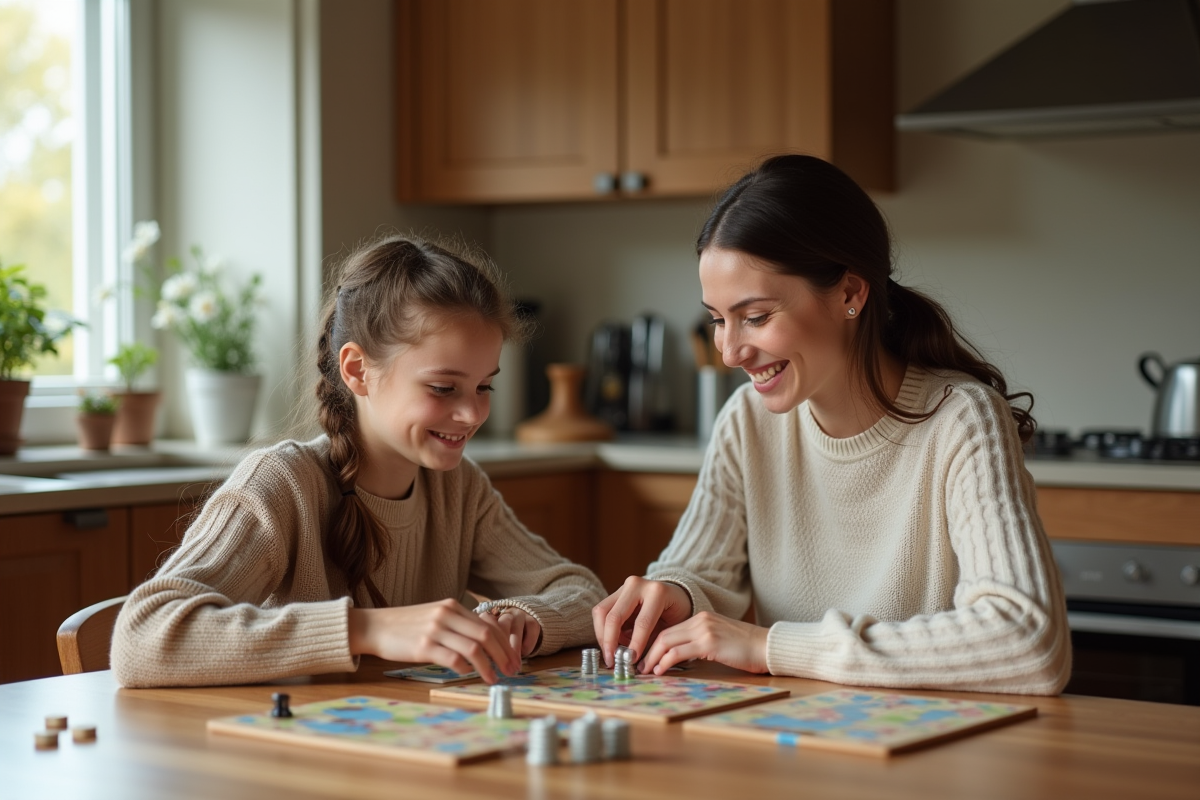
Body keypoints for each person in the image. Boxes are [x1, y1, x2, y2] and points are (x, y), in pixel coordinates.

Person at [593, 154, 1071, 695]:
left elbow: (1028, 641)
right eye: (717, 320)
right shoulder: (747, 422)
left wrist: (766, 646)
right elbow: (702, 576)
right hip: (800, 744)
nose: (728, 352)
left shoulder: (961, 420)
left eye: (755, 317)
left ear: (849, 294)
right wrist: (675, 593)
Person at [112, 234, 606, 688]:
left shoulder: (458, 489)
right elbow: (140, 637)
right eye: (442, 387)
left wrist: (526, 618)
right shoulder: (282, 484)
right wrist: (366, 630)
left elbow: (581, 592)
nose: (472, 412)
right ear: (357, 370)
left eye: (484, 385)